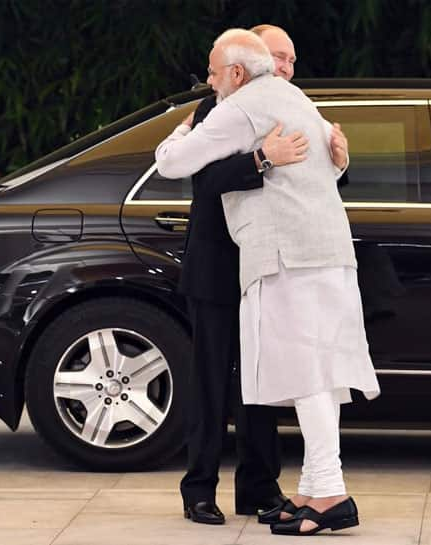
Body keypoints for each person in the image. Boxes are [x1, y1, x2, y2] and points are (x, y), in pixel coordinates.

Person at [156, 28, 380, 536]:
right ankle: (314, 487)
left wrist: (179, 131)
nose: (208, 80)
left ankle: (328, 493)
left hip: (287, 257)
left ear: (237, 71)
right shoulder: (295, 101)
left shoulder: (239, 108)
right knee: (309, 372)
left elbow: (171, 164)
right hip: (305, 255)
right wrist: (270, 157)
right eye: (280, 57)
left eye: (213, 71)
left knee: (307, 374)